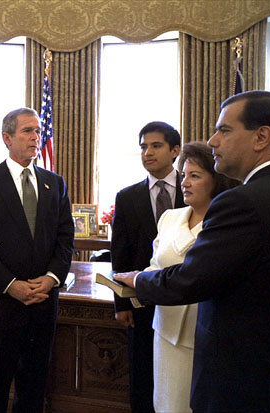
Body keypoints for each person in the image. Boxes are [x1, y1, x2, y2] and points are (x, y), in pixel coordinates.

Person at [114, 91, 270, 412]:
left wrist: (137, 279)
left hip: (240, 380)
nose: (213, 140)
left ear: (262, 137)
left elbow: (189, 280)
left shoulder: (240, 202)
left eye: (225, 130)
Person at [0, 108, 74, 412]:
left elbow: (65, 239)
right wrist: (11, 285)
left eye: (38, 131)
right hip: (2, 304)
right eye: (27, 131)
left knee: (34, 386)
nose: (36, 137)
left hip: (43, 303)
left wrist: (52, 278)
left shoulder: (56, 184)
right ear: (7, 138)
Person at [147, 141, 239, 412]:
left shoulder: (229, 223)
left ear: (216, 180)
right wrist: (133, 283)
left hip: (204, 335)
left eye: (195, 176)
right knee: (165, 404)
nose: (184, 182)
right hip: (165, 330)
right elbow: (155, 265)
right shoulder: (169, 218)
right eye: (184, 175)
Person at [111, 121, 184, 413]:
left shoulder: (198, 187)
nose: (147, 152)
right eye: (143, 147)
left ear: (175, 150)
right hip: (141, 302)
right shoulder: (127, 197)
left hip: (186, 301)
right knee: (142, 373)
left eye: (155, 145)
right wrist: (121, 303)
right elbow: (120, 255)